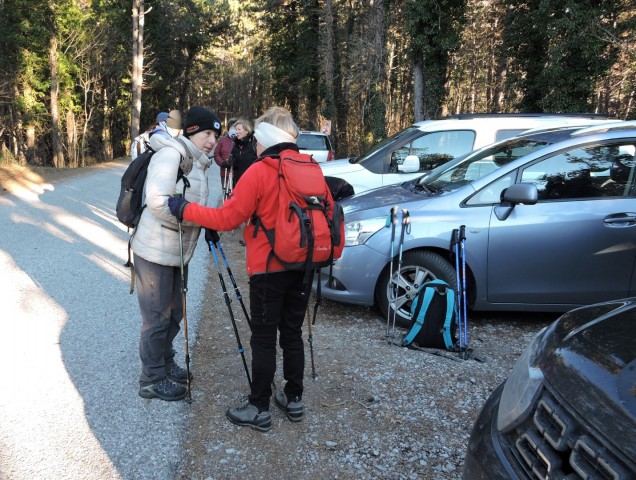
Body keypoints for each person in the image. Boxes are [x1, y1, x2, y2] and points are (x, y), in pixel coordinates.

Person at [167, 106, 309, 431]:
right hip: (304, 266)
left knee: (262, 338)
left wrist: (186, 209)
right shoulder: (307, 166)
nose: (255, 145)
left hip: (270, 268)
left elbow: (227, 219)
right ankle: (294, 398)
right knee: (291, 333)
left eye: (258, 138)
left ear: (266, 140)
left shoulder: (260, 171)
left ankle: (259, 408)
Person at [132, 105, 222, 401]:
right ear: (192, 131)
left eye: (216, 135)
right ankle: (151, 378)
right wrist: (199, 217)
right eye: (207, 133)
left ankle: (166, 362)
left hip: (177, 251)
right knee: (157, 317)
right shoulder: (172, 155)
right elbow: (158, 202)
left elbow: (192, 203)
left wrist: (205, 220)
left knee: (175, 312)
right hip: (155, 249)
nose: (212, 140)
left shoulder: (199, 162)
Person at [230, 117, 258, 186]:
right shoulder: (236, 145)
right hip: (237, 183)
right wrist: (229, 162)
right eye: (236, 129)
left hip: (250, 183)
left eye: (239, 129)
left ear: (246, 131)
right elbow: (235, 164)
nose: (236, 132)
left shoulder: (254, 145)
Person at [212, 117, 237, 191]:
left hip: (237, 173)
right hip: (225, 172)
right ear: (228, 128)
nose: (233, 130)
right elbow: (216, 153)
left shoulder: (240, 140)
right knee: (225, 191)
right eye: (231, 127)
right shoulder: (223, 140)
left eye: (235, 128)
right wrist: (222, 163)